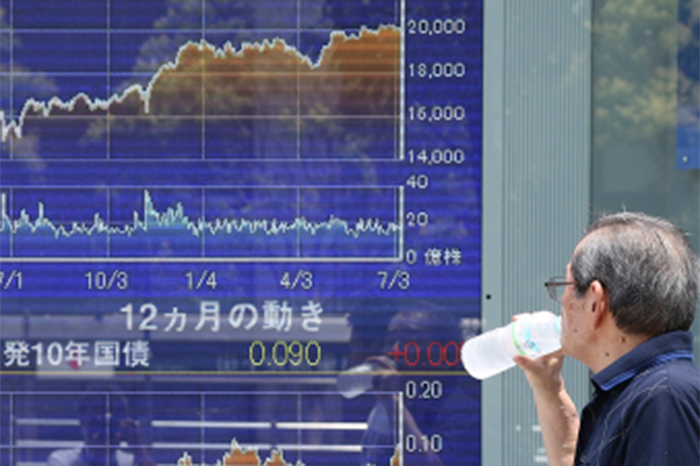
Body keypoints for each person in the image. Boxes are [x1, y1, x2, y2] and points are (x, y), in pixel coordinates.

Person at [515, 212, 700, 466]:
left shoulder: (663, 398)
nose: (563, 302)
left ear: (595, 302)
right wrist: (548, 387)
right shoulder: (649, 389)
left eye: (566, 285)